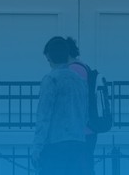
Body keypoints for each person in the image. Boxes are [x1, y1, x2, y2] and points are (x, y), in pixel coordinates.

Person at [33, 36, 88, 175]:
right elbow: (85, 113)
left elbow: (43, 116)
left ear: (49, 57)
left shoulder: (51, 79)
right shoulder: (79, 80)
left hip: (55, 144)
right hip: (78, 142)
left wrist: (37, 147)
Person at [64, 37, 97, 175]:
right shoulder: (84, 66)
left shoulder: (73, 69)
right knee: (86, 165)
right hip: (89, 127)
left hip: (80, 130)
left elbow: (72, 99)